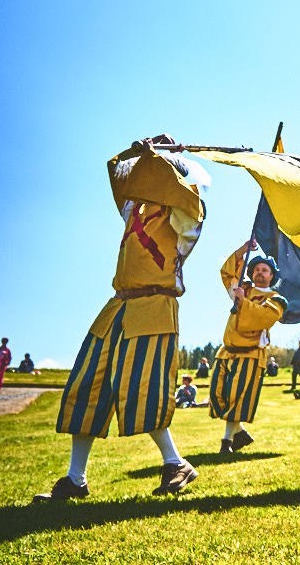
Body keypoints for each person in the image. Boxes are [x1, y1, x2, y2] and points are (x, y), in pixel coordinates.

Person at [36, 136, 205, 501]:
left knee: (141, 387)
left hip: (155, 307)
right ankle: (75, 479)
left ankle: (175, 463)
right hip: (117, 306)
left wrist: (165, 156)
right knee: (87, 384)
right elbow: (117, 173)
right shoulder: (135, 208)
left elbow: (181, 192)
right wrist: (137, 150)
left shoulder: (187, 212)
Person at [209, 241, 287, 453]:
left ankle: (227, 441)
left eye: (265, 270)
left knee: (236, 396)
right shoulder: (241, 289)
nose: (260, 273)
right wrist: (244, 249)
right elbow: (227, 272)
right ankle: (239, 432)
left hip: (250, 354)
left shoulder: (276, 299)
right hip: (227, 351)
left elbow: (264, 318)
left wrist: (243, 303)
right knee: (217, 394)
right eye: (256, 269)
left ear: (272, 276)